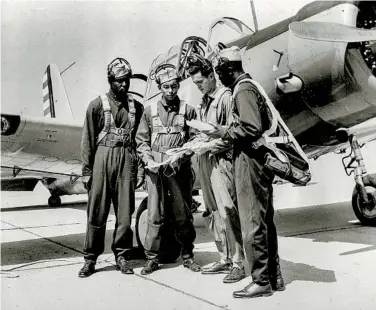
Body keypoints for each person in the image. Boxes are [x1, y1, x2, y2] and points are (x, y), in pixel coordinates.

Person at [202, 46, 285, 298]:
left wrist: (222, 131)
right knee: (263, 221)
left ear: (229, 68)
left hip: (249, 162)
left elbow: (251, 127)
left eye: (220, 71)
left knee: (252, 224)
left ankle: (261, 280)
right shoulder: (248, 86)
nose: (219, 76)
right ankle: (274, 276)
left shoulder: (242, 89)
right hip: (256, 162)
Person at [79, 57, 145, 278]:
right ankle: (90, 259)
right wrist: (87, 171)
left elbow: (140, 141)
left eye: (126, 80)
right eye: (118, 81)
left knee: (125, 213)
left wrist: (140, 168)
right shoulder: (97, 106)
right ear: (110, 80)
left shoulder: (137, 107)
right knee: (97, 212)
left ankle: (122, 256)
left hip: (126, 159)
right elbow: (87, 140)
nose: (123, 85)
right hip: (102, 159)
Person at [135, 63, 201, 275]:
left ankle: (188, 256)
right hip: (156, 171)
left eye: (174, 86)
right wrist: (147, 159)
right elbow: (141, 141)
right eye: (166, 87)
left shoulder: (188, 110)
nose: (171, 91)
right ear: (160, 88)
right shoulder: (149, 112)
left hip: (179, 169)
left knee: (183, 214)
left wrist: (182, 155)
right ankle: (152, 258)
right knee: (155, 214)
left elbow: (196, 139)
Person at [185, 54, 245, 283]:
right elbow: (205, 130)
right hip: (205, 161)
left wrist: (206, 145)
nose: (198, 87)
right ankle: (224, 257)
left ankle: (238, 263)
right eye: (195, 84)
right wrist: (194, 143)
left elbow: (231, 135)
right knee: (212, 212)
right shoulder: (205, 100)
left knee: (228, 211)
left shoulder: (225, 98)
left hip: (221, 162)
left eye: (200, 82)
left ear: (212, 76)